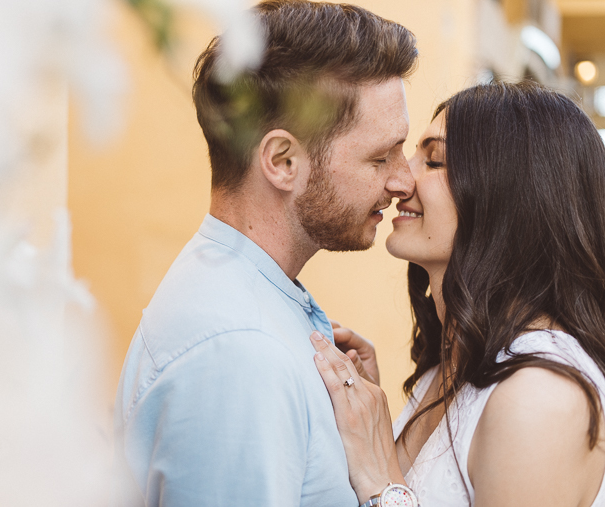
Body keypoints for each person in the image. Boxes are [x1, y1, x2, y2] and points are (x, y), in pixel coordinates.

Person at [113, 1, 417, 505]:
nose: (402, 181)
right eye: (381, 156)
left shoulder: (252, 308)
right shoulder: (240, 356)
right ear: (282, 161)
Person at [311, 81, 605, 507]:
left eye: (433, 161)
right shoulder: (451, 364)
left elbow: (393, 488)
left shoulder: (540, 398)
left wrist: (381, 481)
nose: (398, 178)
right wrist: (374, 416)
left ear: (510, 196)